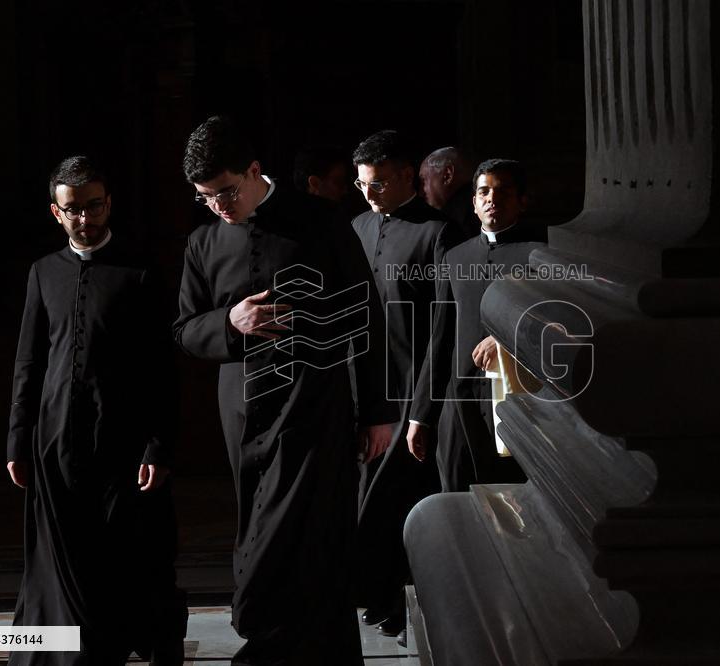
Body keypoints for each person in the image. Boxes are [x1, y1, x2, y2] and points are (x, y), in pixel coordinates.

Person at [174, 116, 397, 665]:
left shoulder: (319, 221)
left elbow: (366, 315)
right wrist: (232, 320)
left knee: (310, 536)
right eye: (205, 198)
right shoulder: (203, 241)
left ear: (254, 171)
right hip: (242, 415)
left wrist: (377, 412)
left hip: (314, 405)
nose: (219, 206)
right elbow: (184, 330)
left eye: (226, 191)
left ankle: (274, 646)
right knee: (260, 525)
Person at [7, 156, 187, 665]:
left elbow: (160, 368)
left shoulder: (142, 269)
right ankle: (66, 650)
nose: (85, 218)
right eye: (73, 209)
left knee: (125, 550)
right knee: (63, 551)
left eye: (94, 206)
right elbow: (29, 360)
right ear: (56, 212)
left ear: (108, 204)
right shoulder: (43, 272)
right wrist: (17, 439)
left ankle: (111, 645)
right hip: (55, 435)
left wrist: (158, 443)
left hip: (124, 437)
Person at [349, 130, 461, 640]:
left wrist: (422, 409)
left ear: (403, 176)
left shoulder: (438, 232)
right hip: (361, 392)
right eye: (360, 184)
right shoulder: (356, 226)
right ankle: (378, 594)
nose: (368, 194)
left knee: (396, 503)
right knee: (363, 499)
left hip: (411, 393)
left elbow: (444, 327)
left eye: (376, 184)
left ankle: (397, 598)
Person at [408, 159, 548, 491]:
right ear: (473, 202)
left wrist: (507, 340)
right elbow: (440, 338)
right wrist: (421, 415)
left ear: (522, 200)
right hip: (460, 406)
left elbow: (556, 322)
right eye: (483, 191)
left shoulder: (541, 254)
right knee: (458, 499)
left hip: (520, 404)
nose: (492, 199)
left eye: (503, 192)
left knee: (516, 504)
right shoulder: (454, 257)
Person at [418, 146, 480, 238]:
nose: (420, 193)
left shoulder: (451, 223)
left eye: (424, 181)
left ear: (447, 175)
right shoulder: (481, 207)